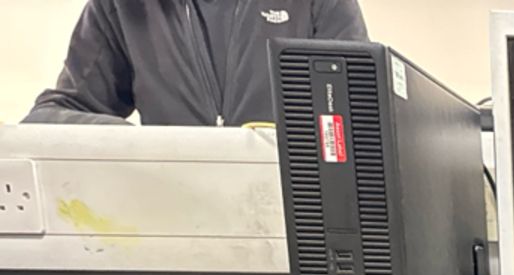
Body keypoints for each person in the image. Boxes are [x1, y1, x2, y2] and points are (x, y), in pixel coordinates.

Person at [25, 1, 370, 126]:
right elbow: (51, 115)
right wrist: (133, 148)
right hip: (173, 228)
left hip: (292, 232)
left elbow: (364, 117)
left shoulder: (319, 3)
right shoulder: (121, 7)